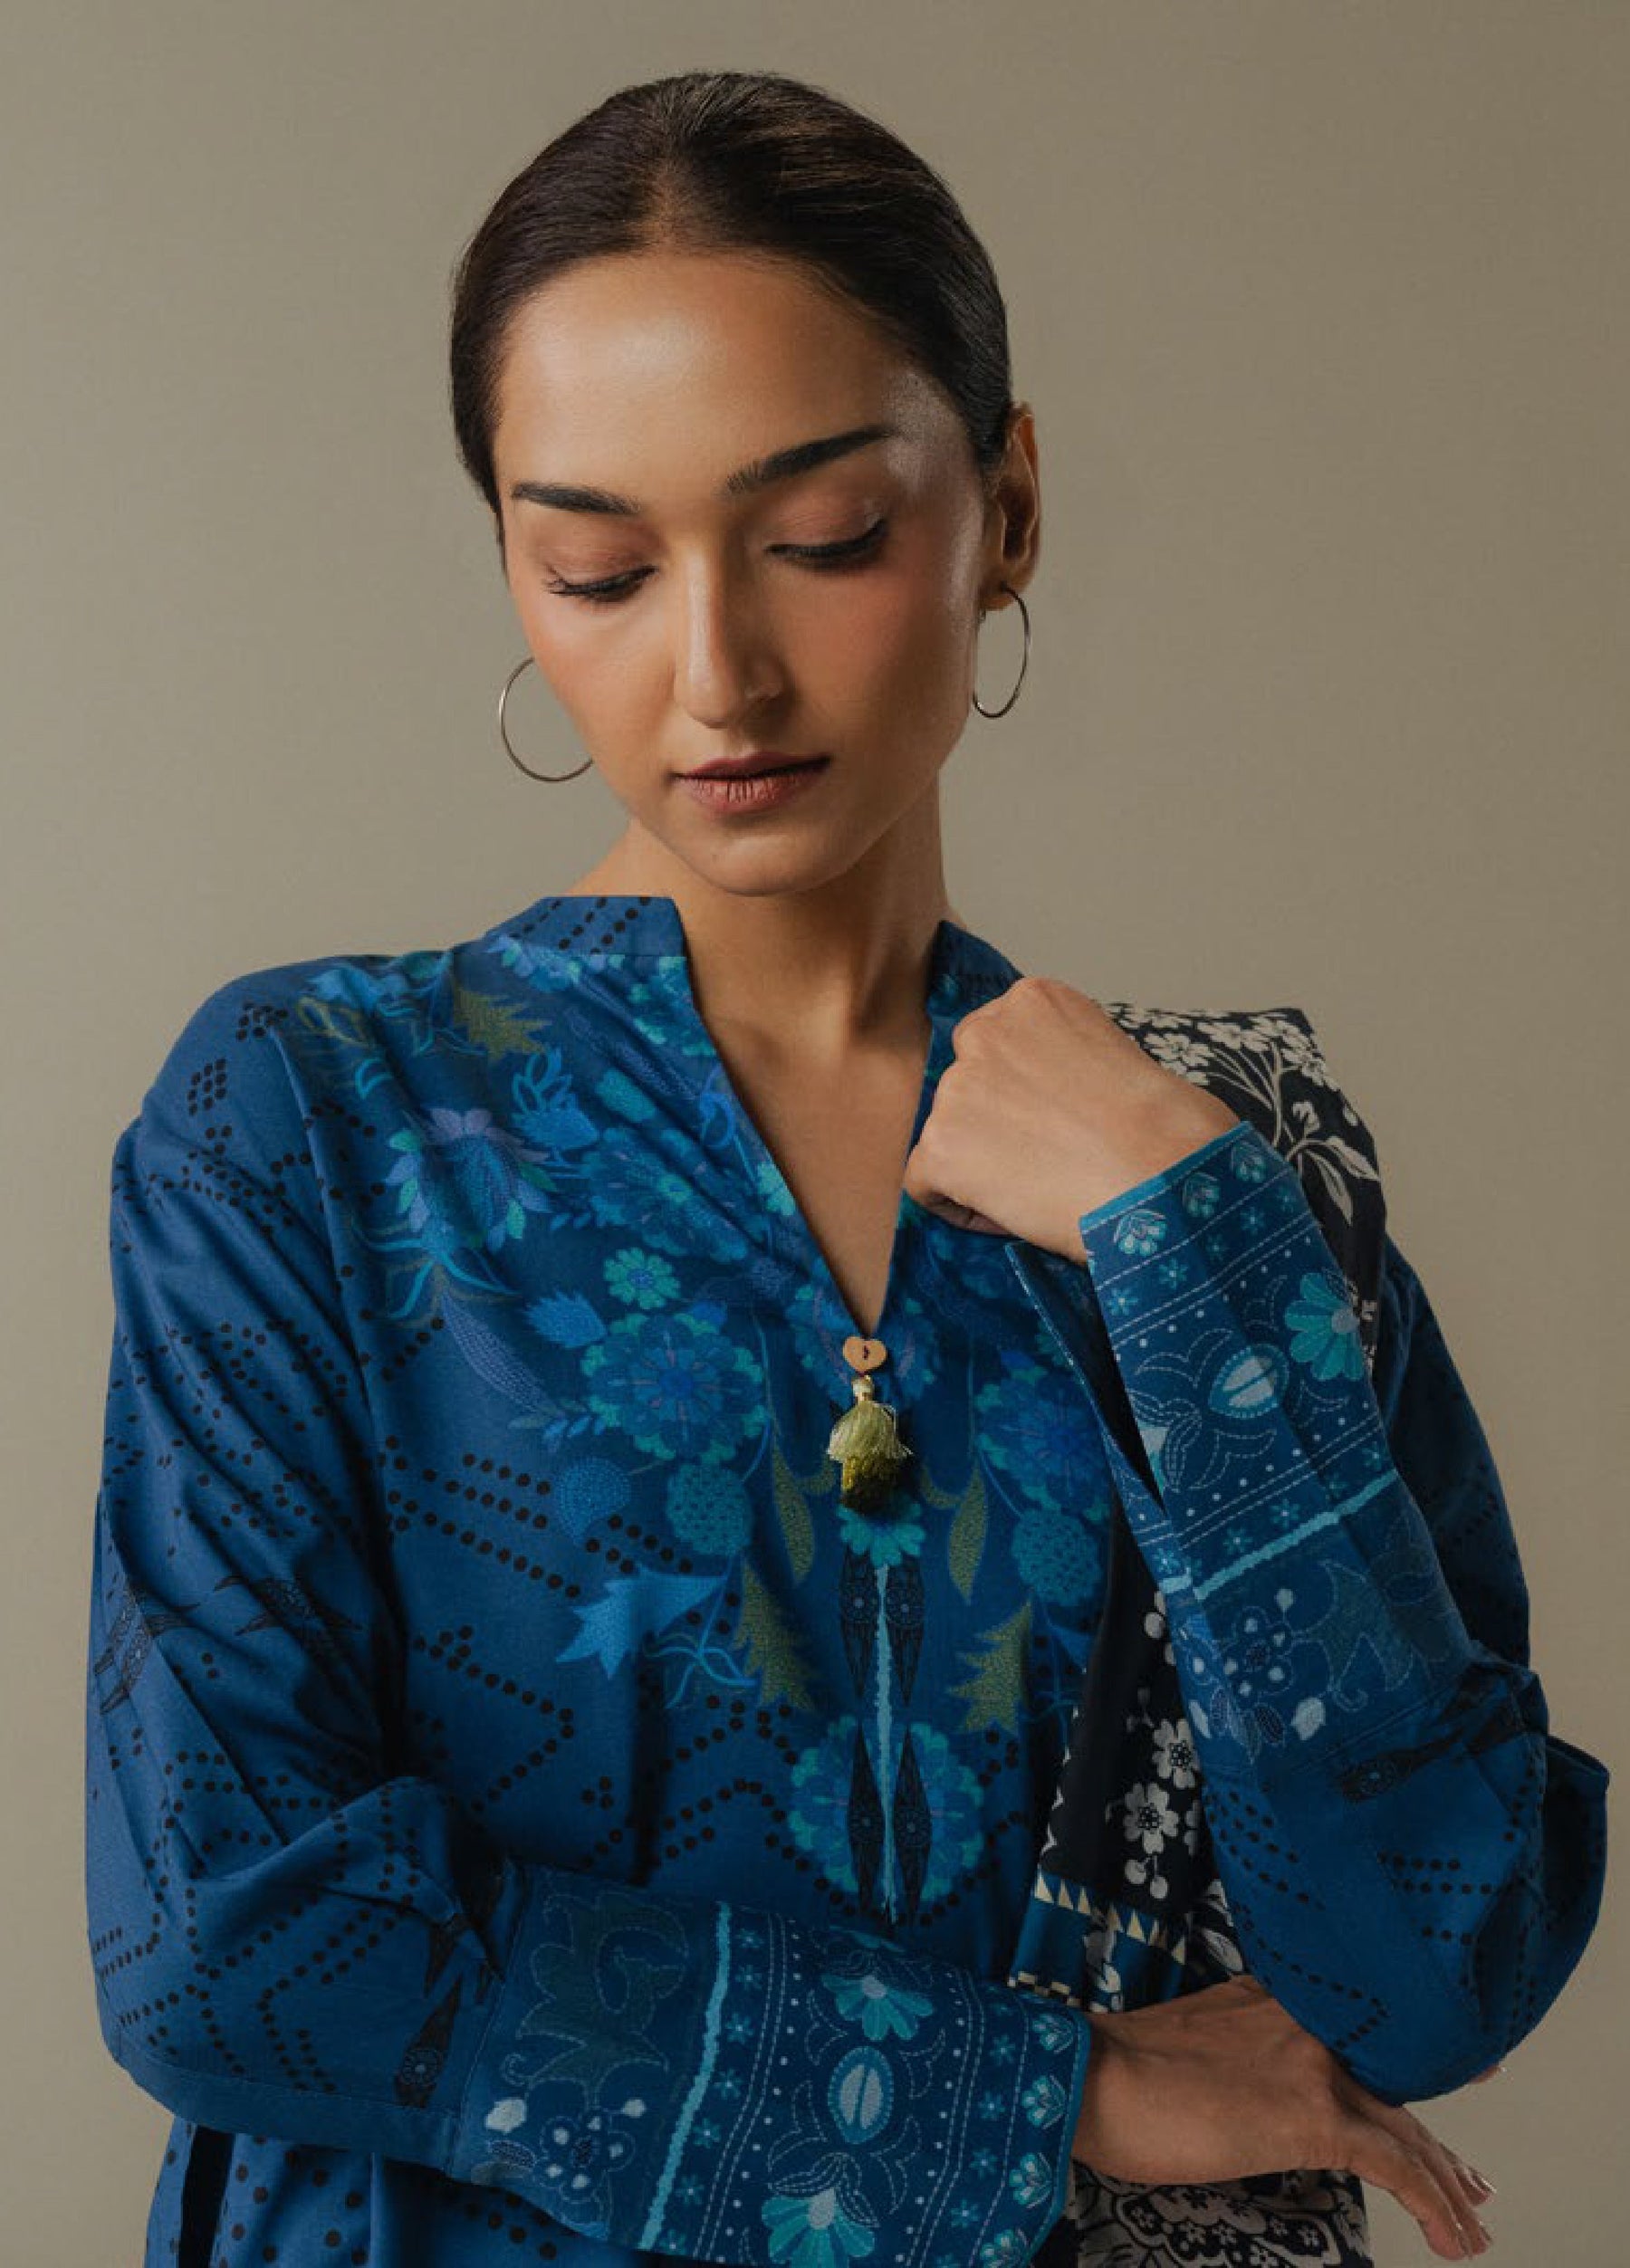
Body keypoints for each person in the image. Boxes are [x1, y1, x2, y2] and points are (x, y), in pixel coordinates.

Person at [83, 66, 1606, 2268]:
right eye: (599, 567)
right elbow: (229, 1934)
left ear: (1010, 505)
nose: (716, 668)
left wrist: (1187, 1251)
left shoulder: (1214, 1167)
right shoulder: (317, 1124)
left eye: (821, 539)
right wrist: (1055, 2090)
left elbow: (1436, 1963)